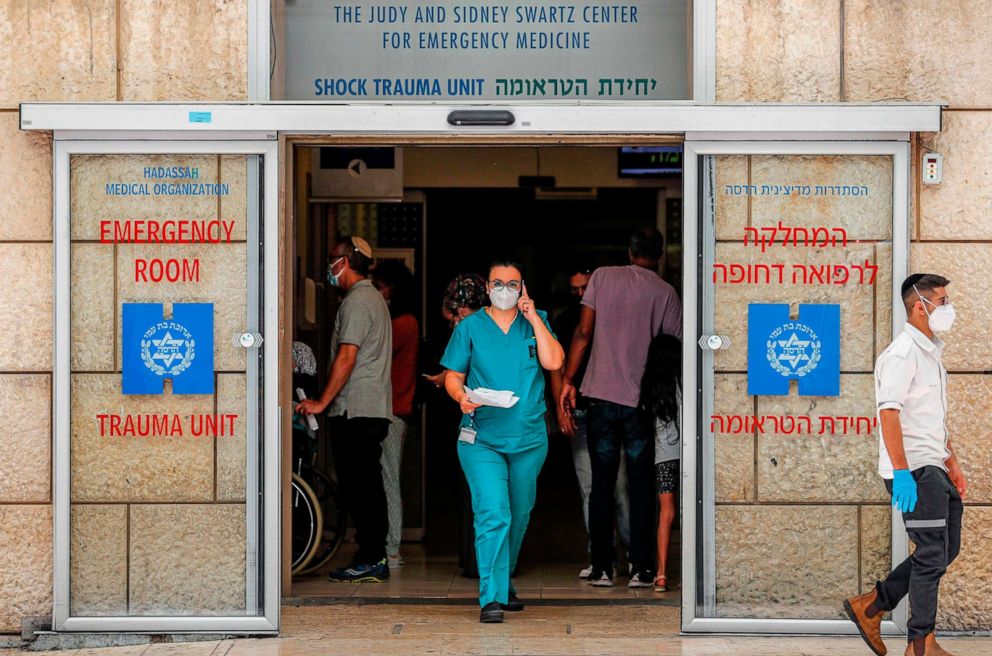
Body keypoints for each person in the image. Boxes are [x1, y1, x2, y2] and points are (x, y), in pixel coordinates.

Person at [844, 274, 967, 656]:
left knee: (945, 550)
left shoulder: (931, 352)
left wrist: (953, 462)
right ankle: (921, 644)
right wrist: (900, 472)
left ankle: (872, 606)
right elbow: (890, 415)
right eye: (943, 301)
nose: (948, 308)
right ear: (920, 305)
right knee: (931, 553)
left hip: (935, 465)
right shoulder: (902, 354)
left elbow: (931, 418)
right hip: (914, 469)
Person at [441, 260, 564, 623]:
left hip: (528, 439)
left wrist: (534, 316)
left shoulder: (534, 321)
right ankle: (491, 598)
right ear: (488, 288)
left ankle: (503, 581)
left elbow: (554, 362)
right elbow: (453, 375)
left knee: (519, 514)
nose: (505, 289)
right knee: (494, 512)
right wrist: (460, 397)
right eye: (499, 283)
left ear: (523, 287)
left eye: (513, 283)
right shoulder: (470, 327)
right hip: (481, 439)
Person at [559, 227, 682, 588]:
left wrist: (569, 380)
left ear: (629, 250)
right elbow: (669, 351)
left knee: (602, 483)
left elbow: (583, 333)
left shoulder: (602, 278)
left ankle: (601, 567)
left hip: (598, 396)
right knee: (641, 486)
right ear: (659, 256)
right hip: (639, 402)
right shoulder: (666, 293)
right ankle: (643, 569)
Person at [296, 236, 393, 583]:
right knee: (367, 483)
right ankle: (372, 555)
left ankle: (371, 557)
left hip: (356, 409)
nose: (329, 266)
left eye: (332, 258)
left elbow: (347, 357)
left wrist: (321, 402)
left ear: (347, 261)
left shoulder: (357, 301)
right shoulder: (373, 298)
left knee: (360, 486)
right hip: (369, 407)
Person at [550, 266, 630, 579]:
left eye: (585, 288)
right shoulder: (566, 320)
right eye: (575, 289)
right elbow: (554, 367)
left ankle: (635, 556)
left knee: (620, 489)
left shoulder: (614, 318)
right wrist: (561, 409)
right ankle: (602, 557)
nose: (581, 294)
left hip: (611, 410)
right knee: (590, 488)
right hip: (580, 411)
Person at [371, 259, 420, 569]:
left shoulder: (402, 324)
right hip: (392, 408)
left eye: (379, 287)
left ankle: (392, 547)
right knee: (387, 476)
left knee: (389, 478)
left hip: (393, 410)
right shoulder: (405, 322)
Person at [639, 332, 682, 593]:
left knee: (665, 513)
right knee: (692, 513)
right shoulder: (684, 382)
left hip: (663, 456)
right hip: (687, 454)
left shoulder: (651, 385)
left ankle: (662, 573)